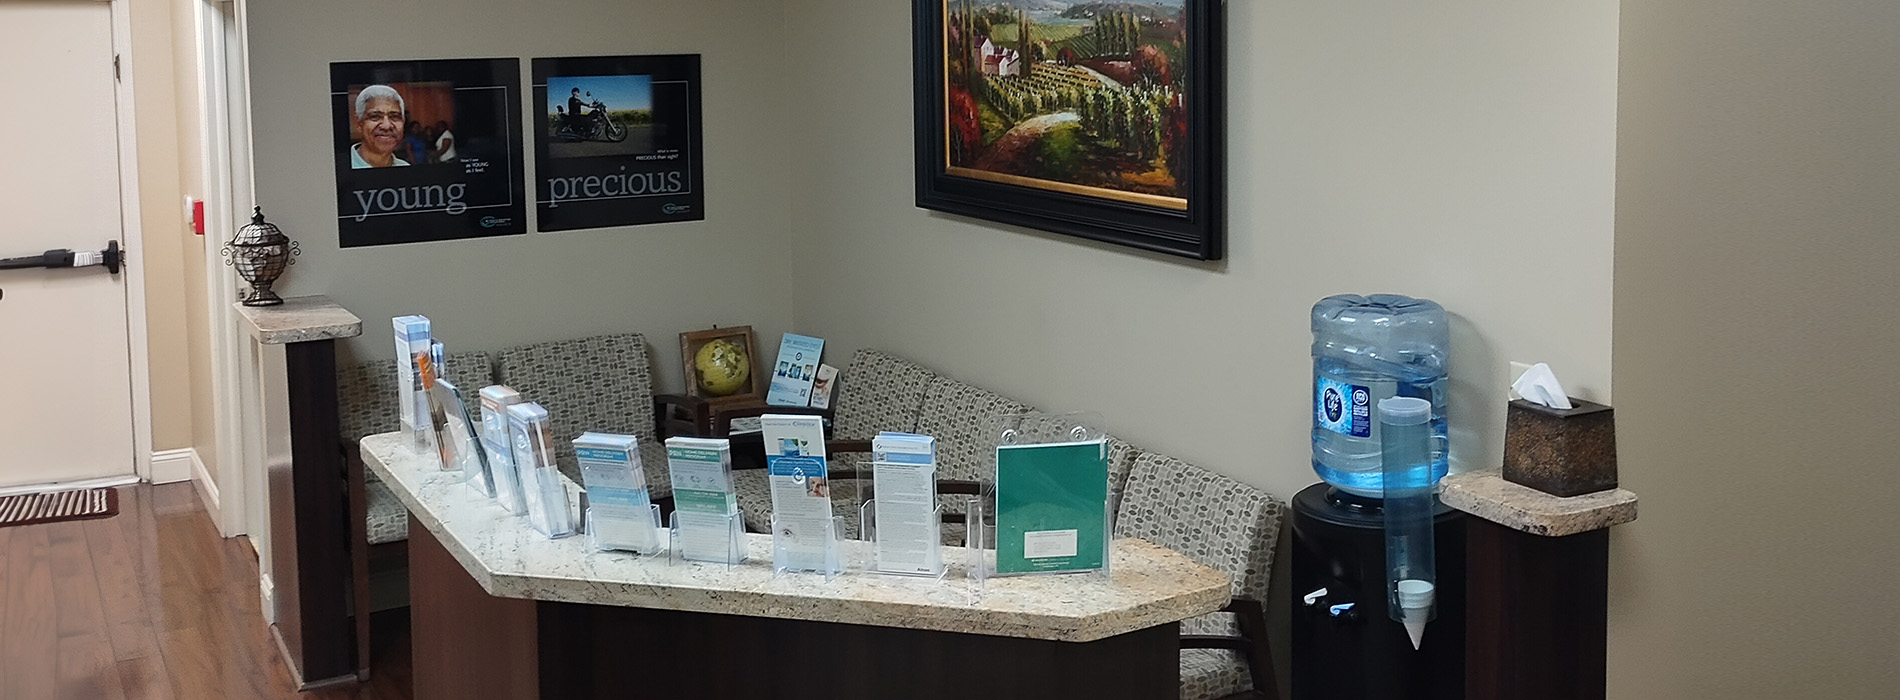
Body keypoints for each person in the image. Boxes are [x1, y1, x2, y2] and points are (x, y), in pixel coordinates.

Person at [349, 85, 410, 168]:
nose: (386, 126)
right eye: (375, 116)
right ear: (358, 123)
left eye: (394, 116)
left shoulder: (406, 168)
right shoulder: (337, 167)